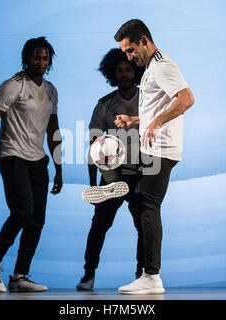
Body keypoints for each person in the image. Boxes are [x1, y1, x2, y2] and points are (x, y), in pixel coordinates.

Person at [0, 36, 62, 293]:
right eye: (36, 57)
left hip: (38, 159)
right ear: (26, 58)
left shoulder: (50, 90)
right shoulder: (13, 86)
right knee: (22, 211)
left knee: (36, 220)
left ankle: (19, 276)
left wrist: (58, 168)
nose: (41, 62)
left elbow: (53, 130)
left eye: (45, 58)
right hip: (12, 155)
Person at [113, 19, 195, 294]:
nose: (129, 56)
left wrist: (157, 122)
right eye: (126, 52)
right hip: (153, 148)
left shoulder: (162, 65)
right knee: (143, 202)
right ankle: (148, 274)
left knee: (148, 205)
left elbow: (186, 98)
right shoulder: (151, 68)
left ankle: (151, 276)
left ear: (144, 41)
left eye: (131, 50)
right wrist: (136, 119)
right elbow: (159, 104)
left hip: (162, 150)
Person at [77, 48, 145, 290]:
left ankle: (142, 275)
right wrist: (94, 184)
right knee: (99, 225)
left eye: (128, 69)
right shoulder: (105, 104)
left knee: (144, 226)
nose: (125, 74)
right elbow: (94, 148)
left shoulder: (148, 100)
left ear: (136, 70)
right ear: (113, 73)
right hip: (112, 174)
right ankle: (88, 275)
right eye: (120, 70)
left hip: (141, 173)